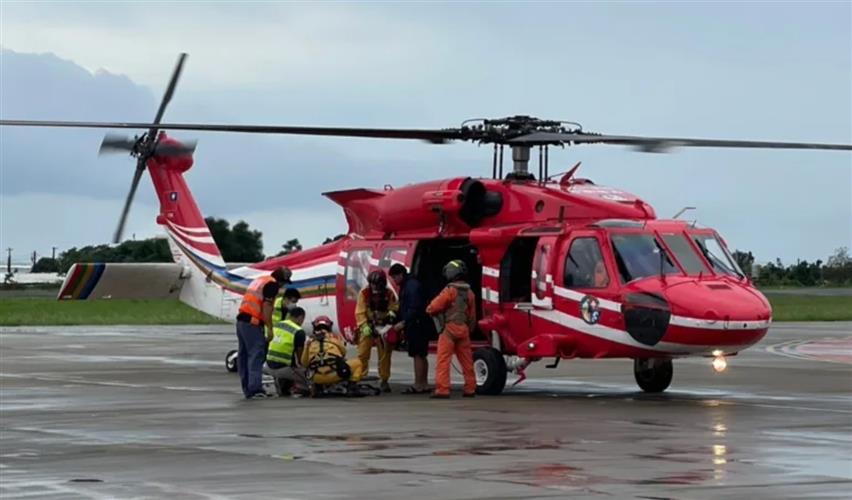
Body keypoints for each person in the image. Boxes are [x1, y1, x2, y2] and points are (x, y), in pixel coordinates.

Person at [236, 266, 291, 399]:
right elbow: (267, 307)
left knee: (244, 357)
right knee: (256, 355)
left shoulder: (260, 280)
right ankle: (255, 389)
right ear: (281, 280)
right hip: (252, 323)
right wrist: (270, 328)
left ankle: (248, 389)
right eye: (284, 283)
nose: (283, 286)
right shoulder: (272, 285)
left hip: (241, 321)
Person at [426, 260, 476, 399]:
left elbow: (433, 307)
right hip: (463, 330)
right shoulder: (470, 292)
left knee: (443, 360)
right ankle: (470, 388)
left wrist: (430, 310)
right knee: (467, 361)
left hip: (449, 330)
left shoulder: (449, 291)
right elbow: (472, 317)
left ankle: (442, 389)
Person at [389, 263, 431, 394]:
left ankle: (418, 384)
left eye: (394, 278)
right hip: (421, 323)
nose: (394, 281)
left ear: (400, 275)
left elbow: (413, 307)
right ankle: (424, 384)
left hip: (416, 325)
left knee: (417, 354)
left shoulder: (410, 286)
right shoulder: (412, 284)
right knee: (422, 354)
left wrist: (404, 322)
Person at [356, 269, 398, 393]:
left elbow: (394, 307)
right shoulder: (364, 293)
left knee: (385, 354)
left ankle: (384, 379)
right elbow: (359, 311)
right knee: (363, 352)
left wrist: (391, 315)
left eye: (376, 284)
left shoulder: (389, 293)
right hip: (368, 326)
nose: (374, 287)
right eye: (372, 284)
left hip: (384, 327)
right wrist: (364, 326)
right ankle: (360, 377)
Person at [301, 316, 365, 395]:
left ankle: (318, 387)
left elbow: (304, 363)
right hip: (335, 374)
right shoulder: (334, 339)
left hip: (316, 377)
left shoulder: (309, 343)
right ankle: (352, 387)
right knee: (358, 363)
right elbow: (343, 354)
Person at [265, 306, 309, 398]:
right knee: (309, 377)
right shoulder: (298, 331)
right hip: (283, 369)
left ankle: (282, 385)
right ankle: (303, 389)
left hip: (267, 366)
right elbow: (300, 359)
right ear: (301, 317)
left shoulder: (277, 325)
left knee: (288, 367)